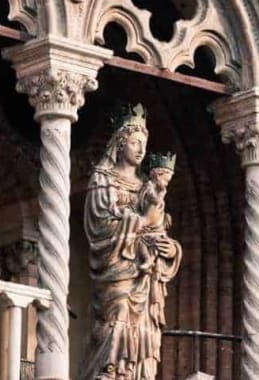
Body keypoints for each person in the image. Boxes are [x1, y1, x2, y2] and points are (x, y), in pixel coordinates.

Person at [81, 105, 182, 380]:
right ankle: (112, 368)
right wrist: (144, 222)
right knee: (119, 310)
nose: (140, 150)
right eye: (135, 143)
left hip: (145, 276)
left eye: (144, 145)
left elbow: (160, 227)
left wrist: (171, 250)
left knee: (144, 323)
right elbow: (100, 225)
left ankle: (137, 373)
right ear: (120, 141)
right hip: (117, 266)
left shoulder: (145, 187)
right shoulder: (103, 180)